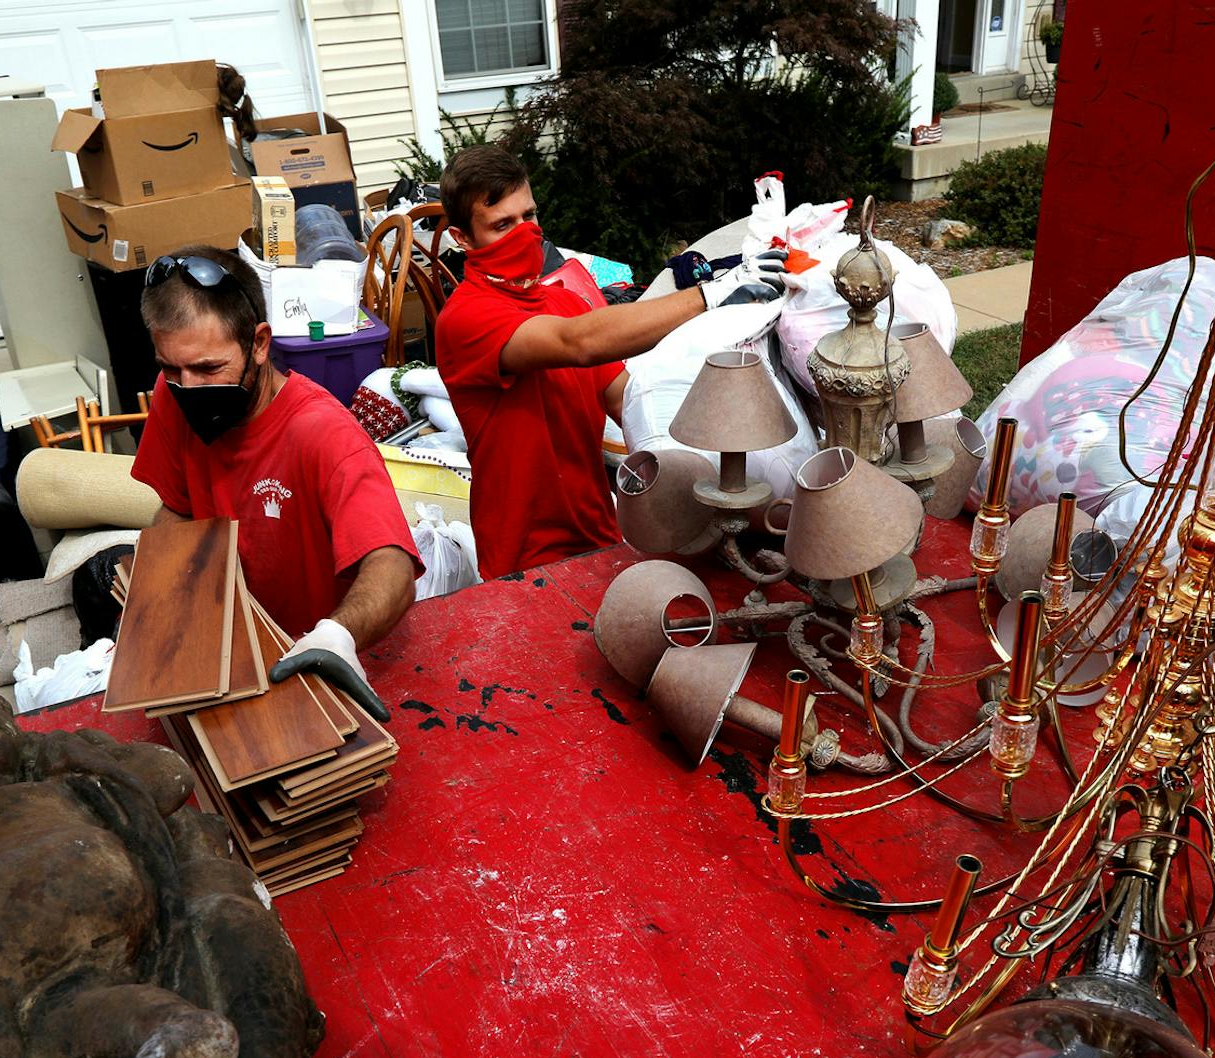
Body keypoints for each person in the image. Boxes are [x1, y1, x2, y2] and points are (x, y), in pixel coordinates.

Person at [435, 144, 789, 579]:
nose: (524, 234)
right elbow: (577, 344)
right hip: (524, 556)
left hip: (599, 533)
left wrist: (720, 456)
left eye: (529, 217)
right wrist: (710, 294)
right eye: (502, 225)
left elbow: (626, 399)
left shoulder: (565, 301)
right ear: (463, 239)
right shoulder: (465, 319)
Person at [131, 245, 418, 721]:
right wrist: (160, 599)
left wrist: (335, 637)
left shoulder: (322, 433)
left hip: (313, 665)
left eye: (209, 369)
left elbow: (392, 566)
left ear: (260, 344)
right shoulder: (176, 393)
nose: (189, 386)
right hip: (232, 655)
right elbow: (179, 508)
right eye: (170, 368)